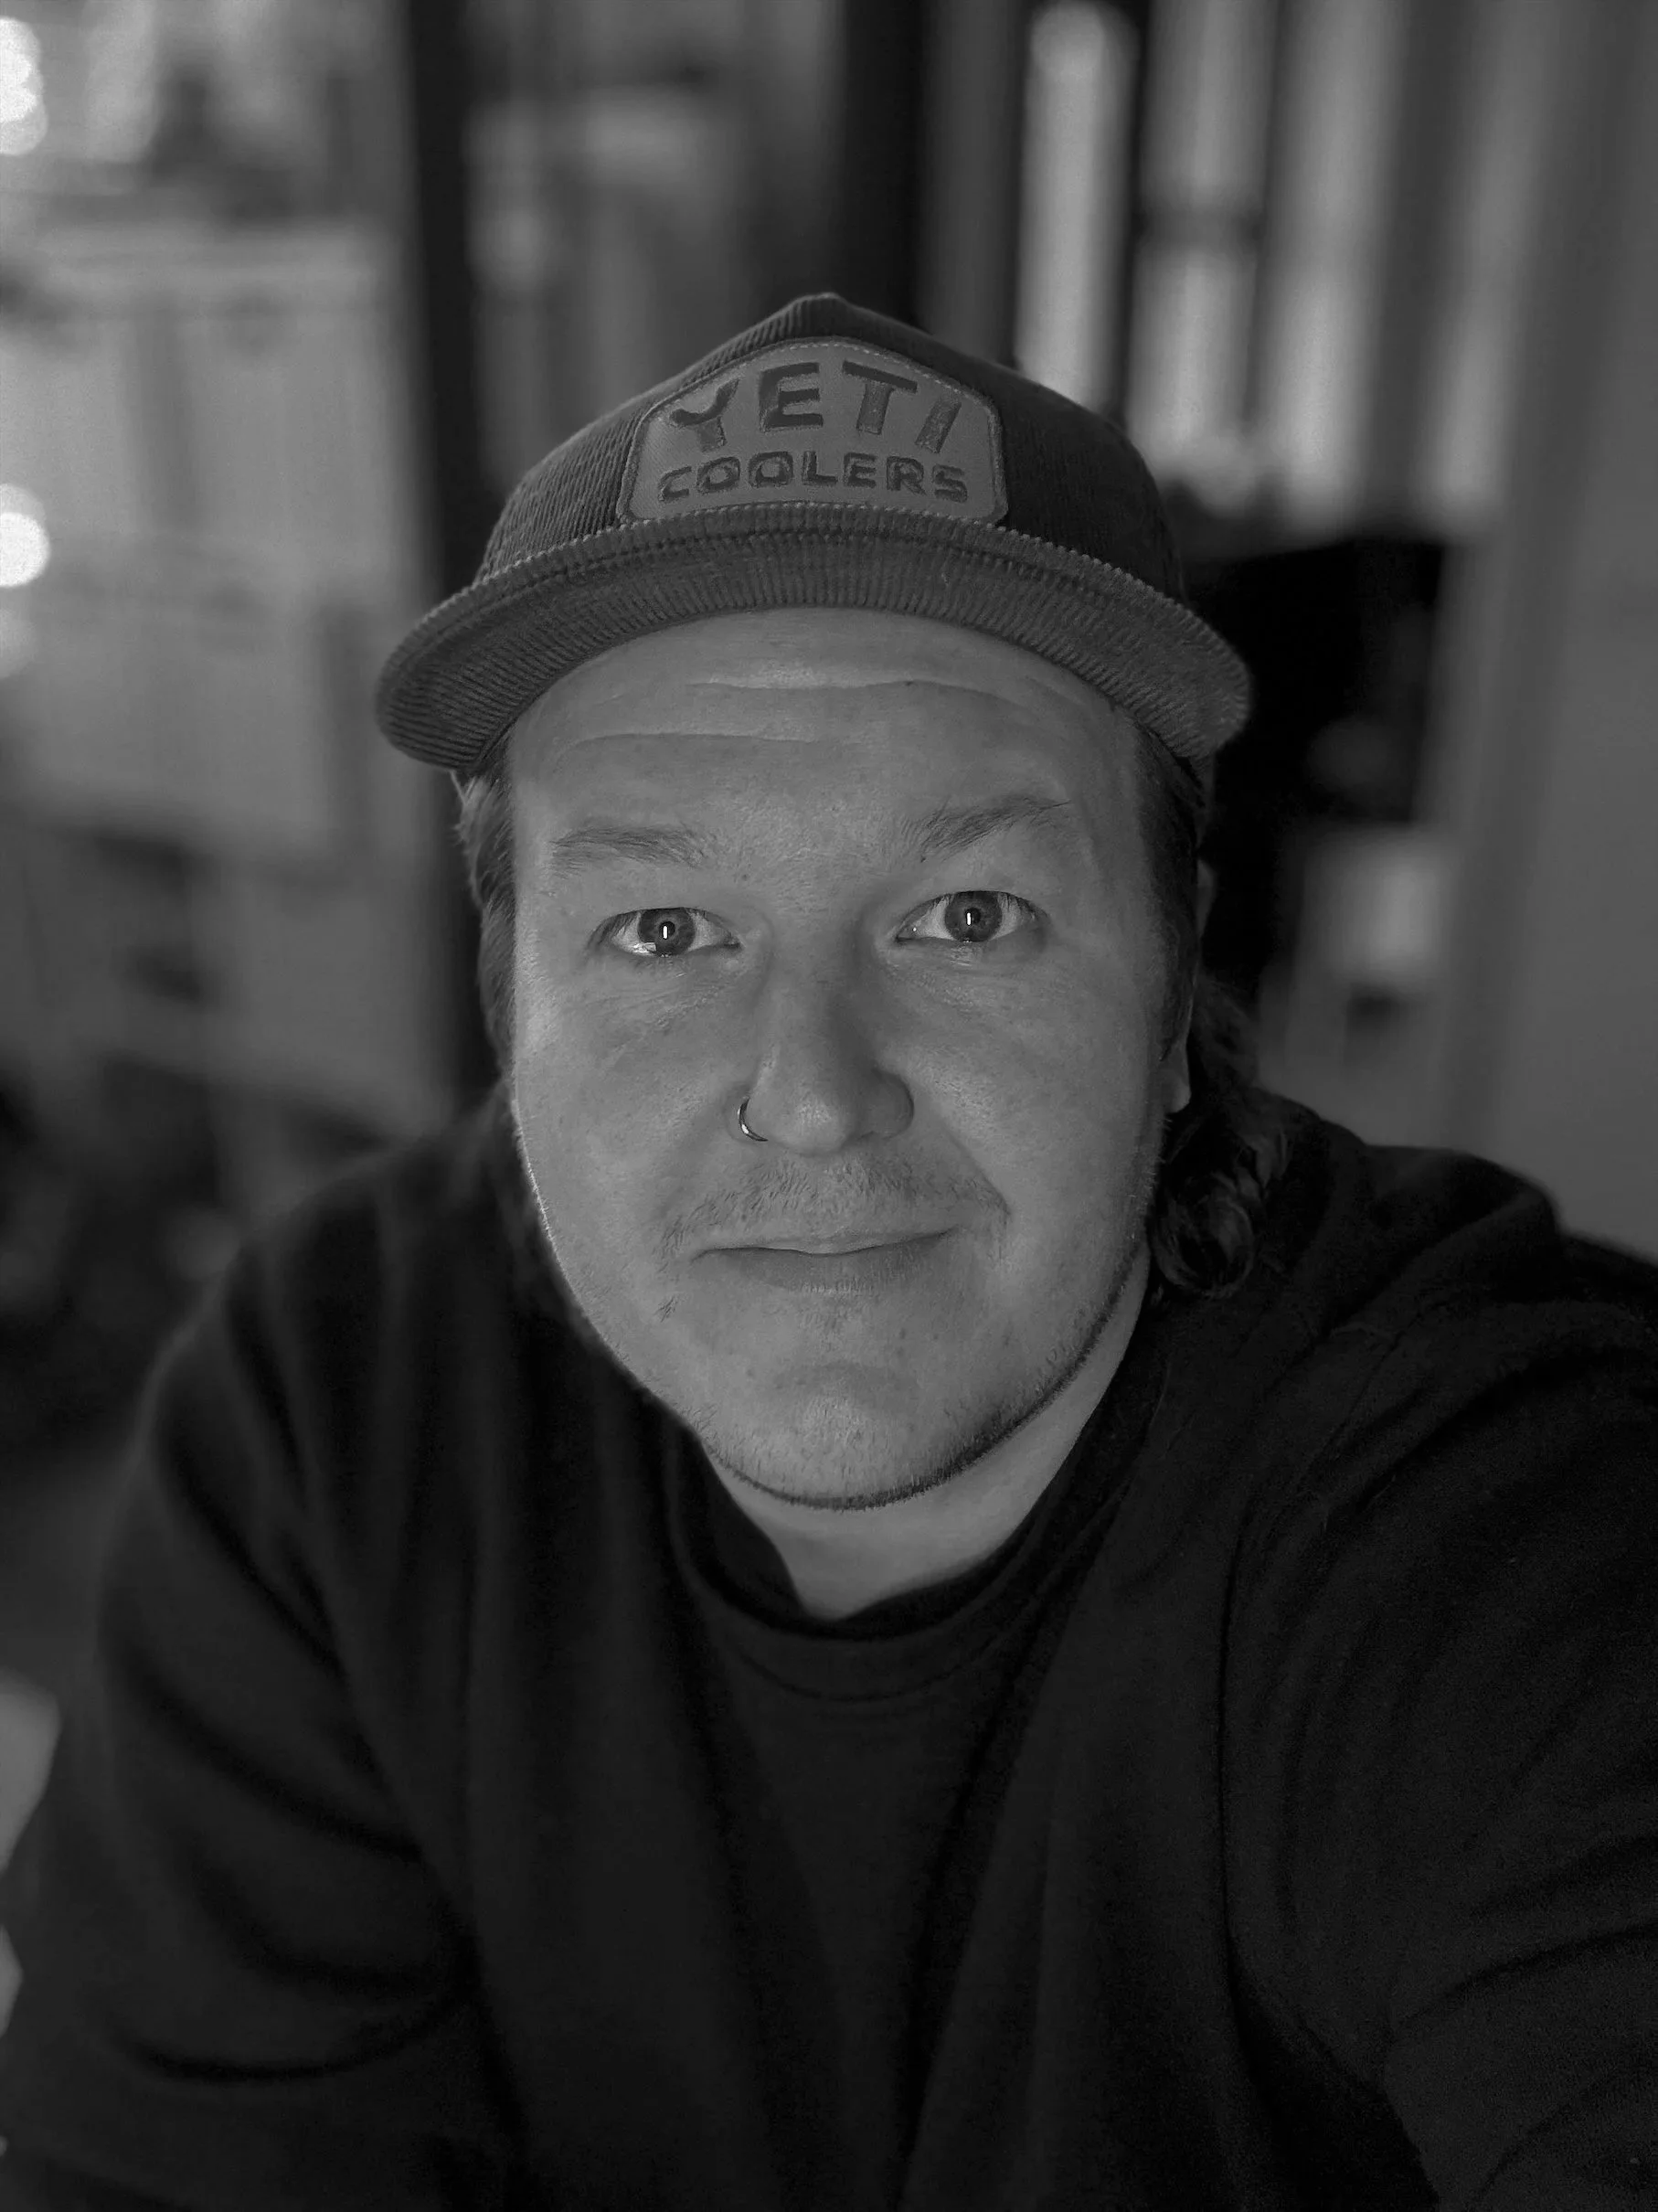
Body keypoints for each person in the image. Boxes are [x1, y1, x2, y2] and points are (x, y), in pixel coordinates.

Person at [1, 293, 1654, 2212]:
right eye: (662, 932)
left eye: (968, 916)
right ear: (504, 997)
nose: (811, 1095)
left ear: (1173, 976)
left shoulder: (1512, 1523)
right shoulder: (341, 1399)